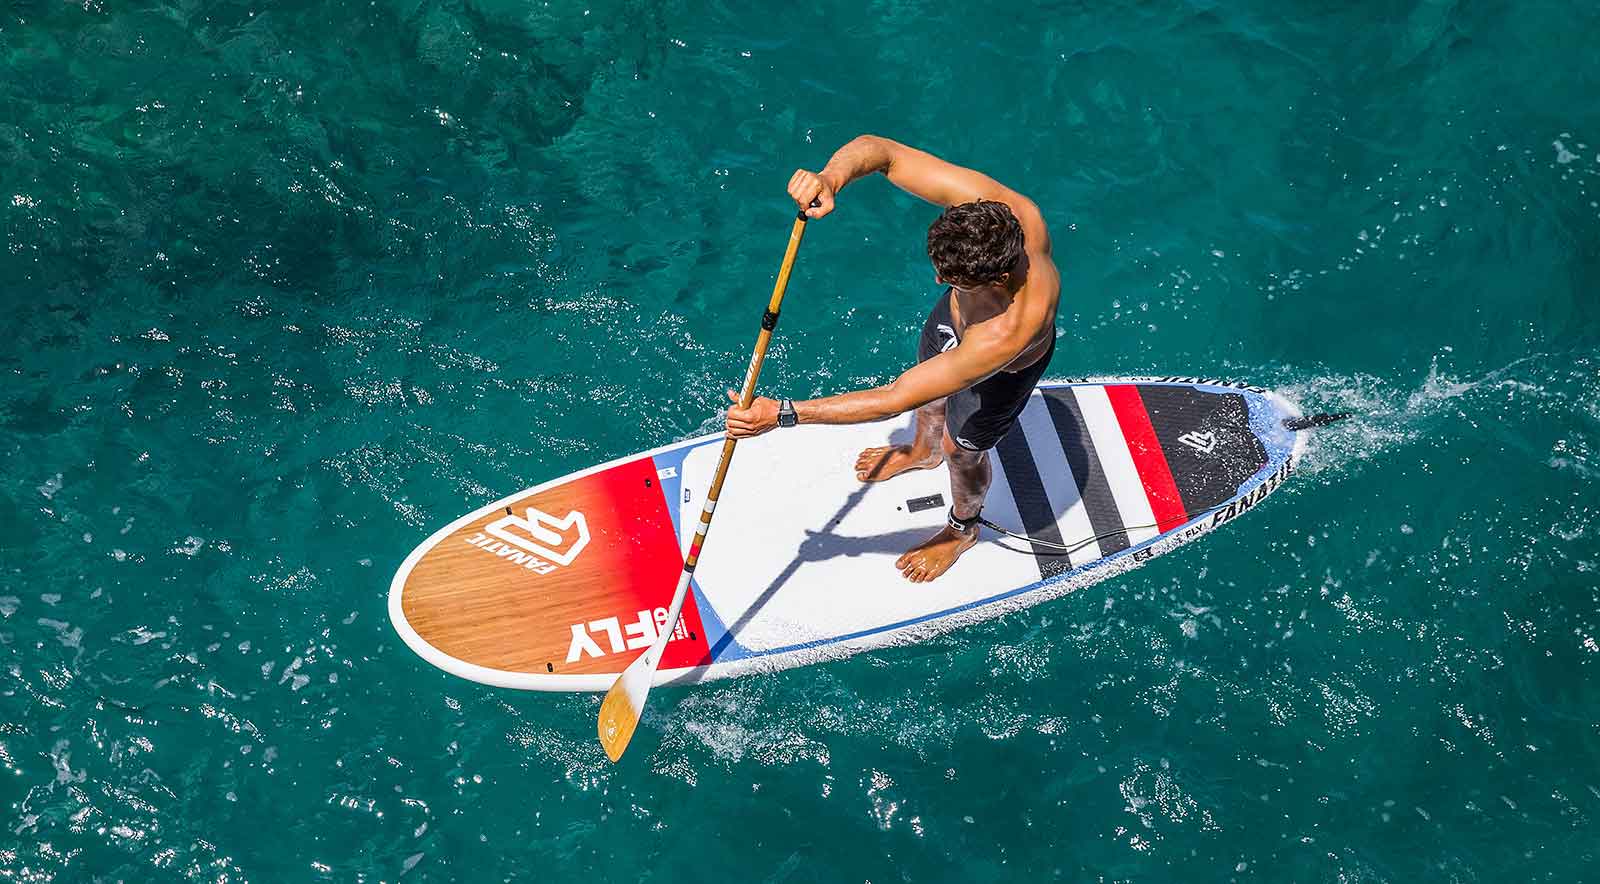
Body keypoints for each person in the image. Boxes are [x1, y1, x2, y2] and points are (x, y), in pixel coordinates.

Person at [726, 135, 1061, 583]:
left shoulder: (1008, 331)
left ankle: (962, 530)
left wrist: (782, 414)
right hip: (958, 322)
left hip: (1002, 374)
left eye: (951, 277)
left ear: (998, 277)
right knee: (931, 402)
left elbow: (894, 398)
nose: (938, 278)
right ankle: (922, 453)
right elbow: (884, 153)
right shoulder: (993, 210)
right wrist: (831, 178)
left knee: (960, 451)